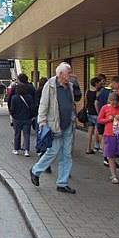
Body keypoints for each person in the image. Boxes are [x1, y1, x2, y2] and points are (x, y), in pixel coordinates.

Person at [29, 62, 77, 194]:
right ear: (61, 74)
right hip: (54, 125)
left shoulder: (71, 86)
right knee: (53, 151)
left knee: (66, 154)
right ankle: (35, 170)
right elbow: (43, 105)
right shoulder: (50, 86)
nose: (71, 75)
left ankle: (62, 182)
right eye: (69, 72)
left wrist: (73, 117)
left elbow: (73, 102)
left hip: (68, 125)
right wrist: (42, 122)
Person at [97, 76, 119, 167]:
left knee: (104, 137)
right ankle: (109, 158)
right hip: (110, 119)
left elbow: (96, 102)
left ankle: (105, 157)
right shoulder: (112, 93)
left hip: (103, 117)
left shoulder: (102, 90)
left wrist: (99, 112)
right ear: (115, 83)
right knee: (110, 139)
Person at [9, 82, 34, 156]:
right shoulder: (29, 97)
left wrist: (13, 115)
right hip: (27, 118)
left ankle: (16, 149)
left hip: (17, 118)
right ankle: (26, 150)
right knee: (26, 134)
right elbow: (32, 107)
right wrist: (31, 115)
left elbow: (12, 109)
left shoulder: (14, 97)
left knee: (17, 134)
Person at [84, 78, 101, 154]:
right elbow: (97, 103)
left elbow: (86, 102)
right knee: (98, 130)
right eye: (99, 82)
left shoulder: (87, 91)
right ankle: (99, 146)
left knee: (89, 131)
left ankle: (88, 148)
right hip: (95, 113)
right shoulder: (98, 93)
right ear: (96, 84)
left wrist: (86, 109)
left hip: (89, 112)